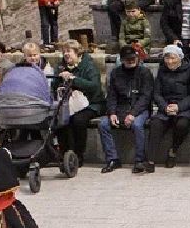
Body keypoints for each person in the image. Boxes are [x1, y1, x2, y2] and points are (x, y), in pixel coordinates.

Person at [100, 43, 155, 174]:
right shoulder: (116, 73)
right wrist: (112, 113)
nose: (130, 61)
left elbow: (146, 97)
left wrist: (132, 114)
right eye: (127, 59)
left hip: (139, 108)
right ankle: (112, 159)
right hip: (120, 108)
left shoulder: (145, 72)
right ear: (122, 60)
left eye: (133, 59)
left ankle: (139, 160)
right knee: (103, 124)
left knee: (137, 125)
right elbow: (112, 95)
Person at [53, 40, 103, 167]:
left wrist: (73, 79)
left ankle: (78, 154)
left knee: (78, 120)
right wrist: (59, 79)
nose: (66, 54)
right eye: (64, 52)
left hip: (91, 103)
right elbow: (54, 85)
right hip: (69, 104)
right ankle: (64, 153)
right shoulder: (60, 66)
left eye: (69, 51)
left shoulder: (89, 66)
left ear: (77, 53)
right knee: (60, 120)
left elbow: (94, 86)